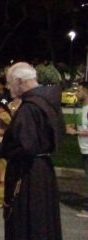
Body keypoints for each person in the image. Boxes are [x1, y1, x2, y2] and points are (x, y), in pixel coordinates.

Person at [0, 62, 63, 240]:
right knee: (43, 222)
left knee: (29, 223)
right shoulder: (48, 101)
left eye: (9, 83)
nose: (9, 88)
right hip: (44, 169)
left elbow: (26, 146)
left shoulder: (30, 107)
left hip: (28, 173)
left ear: (19, 81)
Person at [66, 81, 88, 218]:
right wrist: (73, 125)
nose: (76, 93)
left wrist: (74, 133)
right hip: (84, 149)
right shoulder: (83, 108)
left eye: (79, 91)